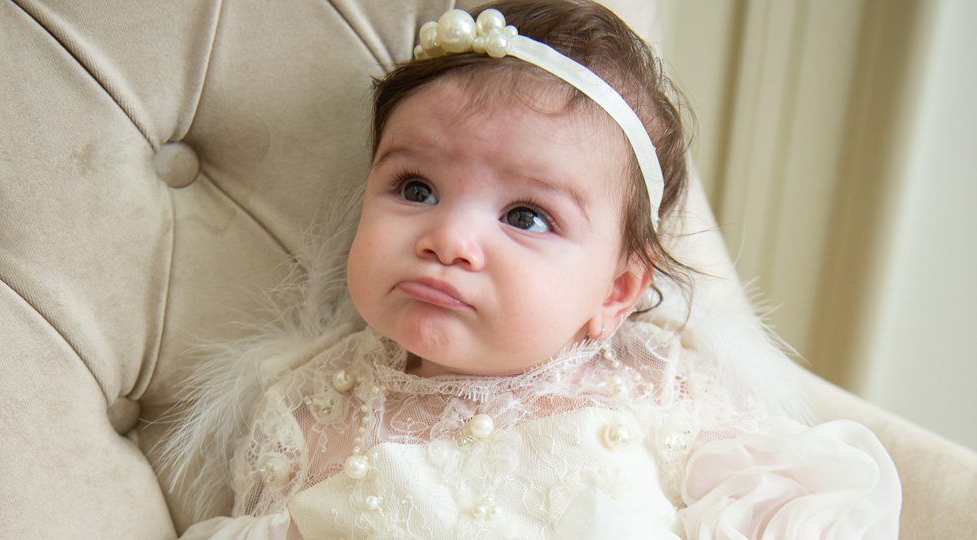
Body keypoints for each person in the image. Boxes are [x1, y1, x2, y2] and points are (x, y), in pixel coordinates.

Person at [169, 1, 901, 538]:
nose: (448, 239)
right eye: (415, 189)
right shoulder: (312, 414)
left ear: (616, 292)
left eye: (525, 216)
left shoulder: (651, 389)